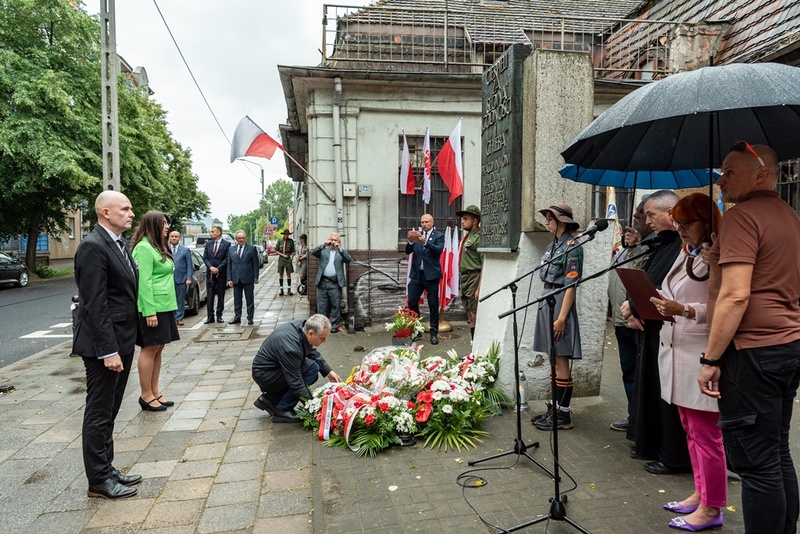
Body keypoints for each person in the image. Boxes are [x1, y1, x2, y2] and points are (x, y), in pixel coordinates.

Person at [698, 142, 800, 534]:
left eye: (729, 172)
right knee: (776, 453)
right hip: (786, 346)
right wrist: (716, 259)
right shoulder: (788, 214)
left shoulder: (742, 217)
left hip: (752, 353)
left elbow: (737, 295)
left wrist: (710, 361)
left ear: (761, 174)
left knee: (757, 465)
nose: (720, 181)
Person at [647, 193, 725, 531]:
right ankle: (701, 492)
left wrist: (685, 310)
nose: (680, 229)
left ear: (706, 222)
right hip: (676, 350)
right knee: (691, 431)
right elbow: (674, 291)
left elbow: (724, 308)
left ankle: (712, 508)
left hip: (700, 352)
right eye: (677, 222)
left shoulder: (717, 256)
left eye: (687, 223)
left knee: (707, 435)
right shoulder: (687, 254)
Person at [72, 190, 141, 499]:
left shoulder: (119, 244)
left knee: (110, 410)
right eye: (124, 209)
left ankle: (106, 467)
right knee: (99, 412)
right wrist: (108, 350)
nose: (130, 213)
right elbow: (95, 304)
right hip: (105, 346)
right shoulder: (93, 247)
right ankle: (98, 480)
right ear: (105, 213)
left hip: (122, 339)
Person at [622, 190, 691, 475]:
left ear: (671, 212)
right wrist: (631, 306)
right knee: (650, 386)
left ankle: (672, 453)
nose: (646, 220)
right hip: (653, 327)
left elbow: (672, 289)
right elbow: (647, 278)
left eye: (651, 214)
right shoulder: (661, 243)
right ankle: (651, 443)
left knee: (668, 392)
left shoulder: (685, 246)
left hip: (677, 331)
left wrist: (639, 306)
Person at [530, 204, 583, 431]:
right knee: (552, 358)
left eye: (550, 219)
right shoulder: (553, 246)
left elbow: (571, 285)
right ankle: (554, 408)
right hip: (548, 297)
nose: (547, 223)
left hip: (560, 300)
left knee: (561, 358)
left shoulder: (573, 246)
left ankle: (564, 414)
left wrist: (562, 318)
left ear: (561, 221)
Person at [607, 199, 652, 432]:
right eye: (635, 213)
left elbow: (642, 275)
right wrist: (627, 247)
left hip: (636, 320)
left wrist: (638, 244)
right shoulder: (625, 249)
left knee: (639, 372)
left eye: (641, 213)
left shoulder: (649, 247)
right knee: (628, 371)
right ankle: (632, 414)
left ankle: (640, 419)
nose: (636, 217)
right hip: (620, 319)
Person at [131, 211, 180, 413]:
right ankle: (145, 394)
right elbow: (144, 282)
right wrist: (149, 312)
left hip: (165, 305)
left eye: (167, 223)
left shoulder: (157, 246)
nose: (167, 227)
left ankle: (155, 391)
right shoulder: (143, 248)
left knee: (159, 348)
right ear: (152, 225)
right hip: (153, 308)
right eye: (163, 223)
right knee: (149, 349)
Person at [252, 314, 341, 423]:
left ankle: (270, 399)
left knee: (312, 368)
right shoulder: (291, 348)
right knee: (310, 371)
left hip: (272, 369)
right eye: (322, 338)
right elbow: (295, 382)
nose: (324, 342)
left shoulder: (302, 327)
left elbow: (310, 350)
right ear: (310, 333)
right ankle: (283, 410)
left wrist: (328, 371)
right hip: (266, 375)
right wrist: (314, 406)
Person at [405, 213, 445, 345]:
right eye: (422, 222)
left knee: (433, 305)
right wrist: (410, 241)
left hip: (431, 276)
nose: (424, 224)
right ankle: (417, 330)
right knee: (411, 302)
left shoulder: (438, 236)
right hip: (417, 275)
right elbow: (408, 251)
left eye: (427, 222)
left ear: (432, 222)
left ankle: (434, 333)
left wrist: (425, 242)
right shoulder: (417, 235)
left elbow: (438, 250)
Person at [312, 232, 352, 333]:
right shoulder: (324, 250)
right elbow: (314, 252)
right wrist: (323, 245)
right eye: (332, 240)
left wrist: (340, 249)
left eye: (335, 240)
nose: (333, 242)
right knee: (322, 306)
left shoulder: (341, 252)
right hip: (322, 281)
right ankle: (322, 326)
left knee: (335, 305)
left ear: (339, 241)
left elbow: (348, 259)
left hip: (334, 282)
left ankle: (334, 326)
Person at [456, 205, 484, 342]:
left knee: (475, 313)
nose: (462, 221)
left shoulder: (478, 238)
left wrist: (479, 287)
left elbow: (484, 264)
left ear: (475, 221)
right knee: (469, 314)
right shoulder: (467, 237)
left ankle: (478, 343)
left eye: (465, 219)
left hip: (474, 277)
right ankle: (473, 344)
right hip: (465, 277)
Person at [226, 230, 260, 325]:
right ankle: (237, 317)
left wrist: (256, 277)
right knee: (237, 299)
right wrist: (229, 279)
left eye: (243, 238)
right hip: (236, 278)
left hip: (248, 278)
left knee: (249, 299)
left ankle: (250, 317)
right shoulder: (231, 249)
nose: (241, 240)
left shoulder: (251, 249)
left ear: (246, 238)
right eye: (239, 238)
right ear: (236, 239)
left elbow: (255, 264)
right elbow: (229, 265)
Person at [202, 225, 230, 323]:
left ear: (218, 233)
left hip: (221, 274)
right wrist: (211, 267)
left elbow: (227, 258)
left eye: (213, 231)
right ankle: (210, 316)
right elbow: (205, 258)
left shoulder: (226, 244)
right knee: (209, 295)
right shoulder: (208, 244)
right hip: (210, 274)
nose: (211, 233)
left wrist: (218, 268)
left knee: (221, 295)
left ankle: (219, 315)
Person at [169, 230, 193, 326]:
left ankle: (179, 318)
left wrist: (188, 278)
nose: (174, 238)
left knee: (180, 300)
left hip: (181, 279)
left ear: (180, 238)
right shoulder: (165, 249)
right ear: (169, 238)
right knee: (170, 299)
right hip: (168, 279)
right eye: (172, 236)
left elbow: (189, 265)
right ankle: (171, 318)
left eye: (176, 237)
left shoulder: (185, 250)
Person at [275, 229, 295, 296]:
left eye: (287, 234)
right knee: (281, 274)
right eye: (285, 234)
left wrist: (291, 258)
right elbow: (276, 251)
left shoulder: (291, 241)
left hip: (288, 259)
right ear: (283, 234)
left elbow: (293, 250)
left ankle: (289, 290)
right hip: (281, 258)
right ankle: (281, 289)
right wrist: (283, 255)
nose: (286, 236)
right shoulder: (280, 241)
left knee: (288, 274)